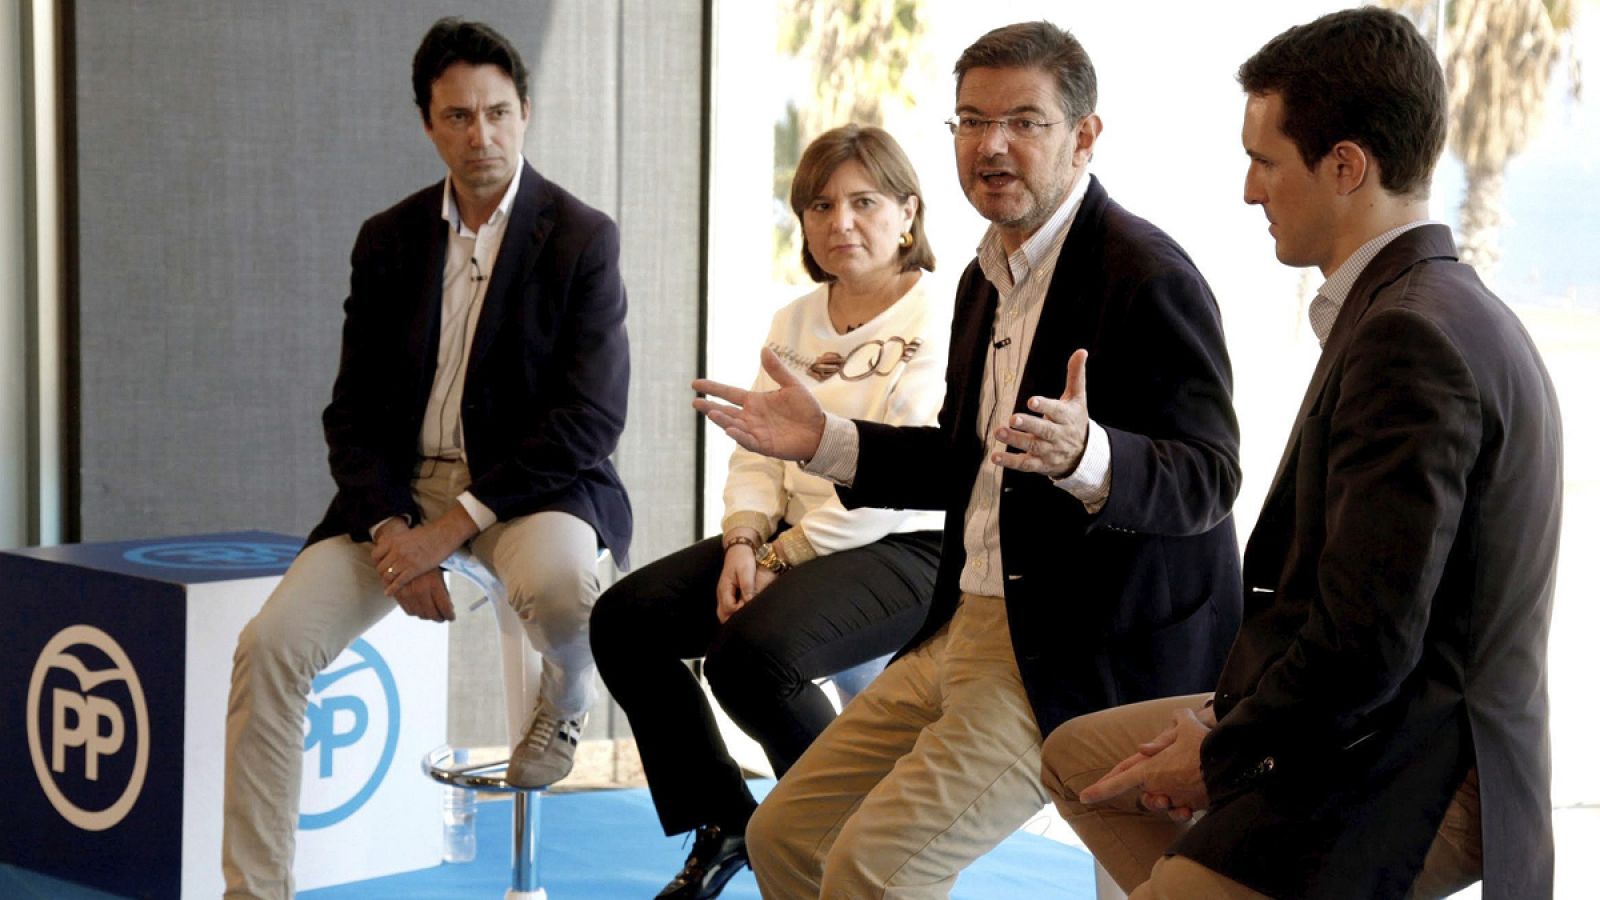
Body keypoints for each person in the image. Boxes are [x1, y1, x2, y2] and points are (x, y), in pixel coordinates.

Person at [693, 21, 1242, 898]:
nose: (992, 145)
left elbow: (1211, 478)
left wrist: (1088, 457)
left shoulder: (1146, 274)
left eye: (1024, 121)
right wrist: (824, 441)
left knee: (872, 868)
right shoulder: (983, 277)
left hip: (1071, 649)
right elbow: (962, 463)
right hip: (963, 622)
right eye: (971, 121)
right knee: (786, 834)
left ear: (1084, 135)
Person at [1039, 8, 1564, 900]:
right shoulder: (1426, 305)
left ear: (1346, 167)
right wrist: (1217, 714)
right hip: (1366, 716)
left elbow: (1369, 644)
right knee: (1076, 756)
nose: (1249, 190)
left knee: (1161, 858)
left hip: (1415, 758)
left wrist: (1226, 749)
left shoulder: (1412, 339)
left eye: (1265, 161)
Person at [221, 18, 631, 899]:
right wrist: (390, 528)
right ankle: (252, 892)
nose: (480, 137)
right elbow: (352, 415)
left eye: (497, 113)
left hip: (530, 491)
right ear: (427, 123)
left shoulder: (581, 239)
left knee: (564, 592)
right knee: (271, 646)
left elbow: (589, 420)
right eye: (457, 117)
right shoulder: (388, 238)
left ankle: (570, 686)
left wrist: (447, 530)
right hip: (399, 499)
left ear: (525, 113)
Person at [592, 124, 947, 900]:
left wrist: (781, 559)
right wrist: (745, 539)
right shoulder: (794, 320)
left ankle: (852, 837)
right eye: (820, 205)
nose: (839, 222)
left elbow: (901, 477)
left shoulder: (941, 317)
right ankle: (723, 821)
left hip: (906, 545)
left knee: (749, 658)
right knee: (625, 619)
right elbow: (758, 449)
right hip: (788, 539)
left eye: (864, 202)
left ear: (909, 214)